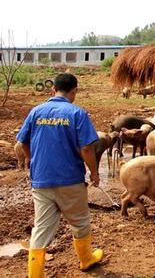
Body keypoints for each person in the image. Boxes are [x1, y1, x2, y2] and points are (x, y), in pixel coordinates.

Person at [16, 73, 103, 277]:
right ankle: (86, 259)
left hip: (41, 181)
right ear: (74, 91)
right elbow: (88, 150)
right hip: (70, 180)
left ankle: (35, 275)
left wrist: (32, 160)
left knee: (41, 228)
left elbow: (22, 143)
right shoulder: (77, 113)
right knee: (80, 222)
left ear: (52, 90)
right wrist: (95, 172)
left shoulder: (36, 111)